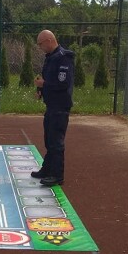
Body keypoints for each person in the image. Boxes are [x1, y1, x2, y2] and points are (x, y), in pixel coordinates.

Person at [31, 30, 75, 187]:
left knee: (56, 141)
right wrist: (40, 90)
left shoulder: (64, 58)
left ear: (49, 40)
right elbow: (47, 79)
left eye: (40, 44)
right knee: (48, 140)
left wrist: (45, 85)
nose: (40, 47)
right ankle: (47, 169)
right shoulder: (50, 58)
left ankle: (57, 175)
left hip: (60, 105)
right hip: (51, 105)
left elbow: (63, 84)